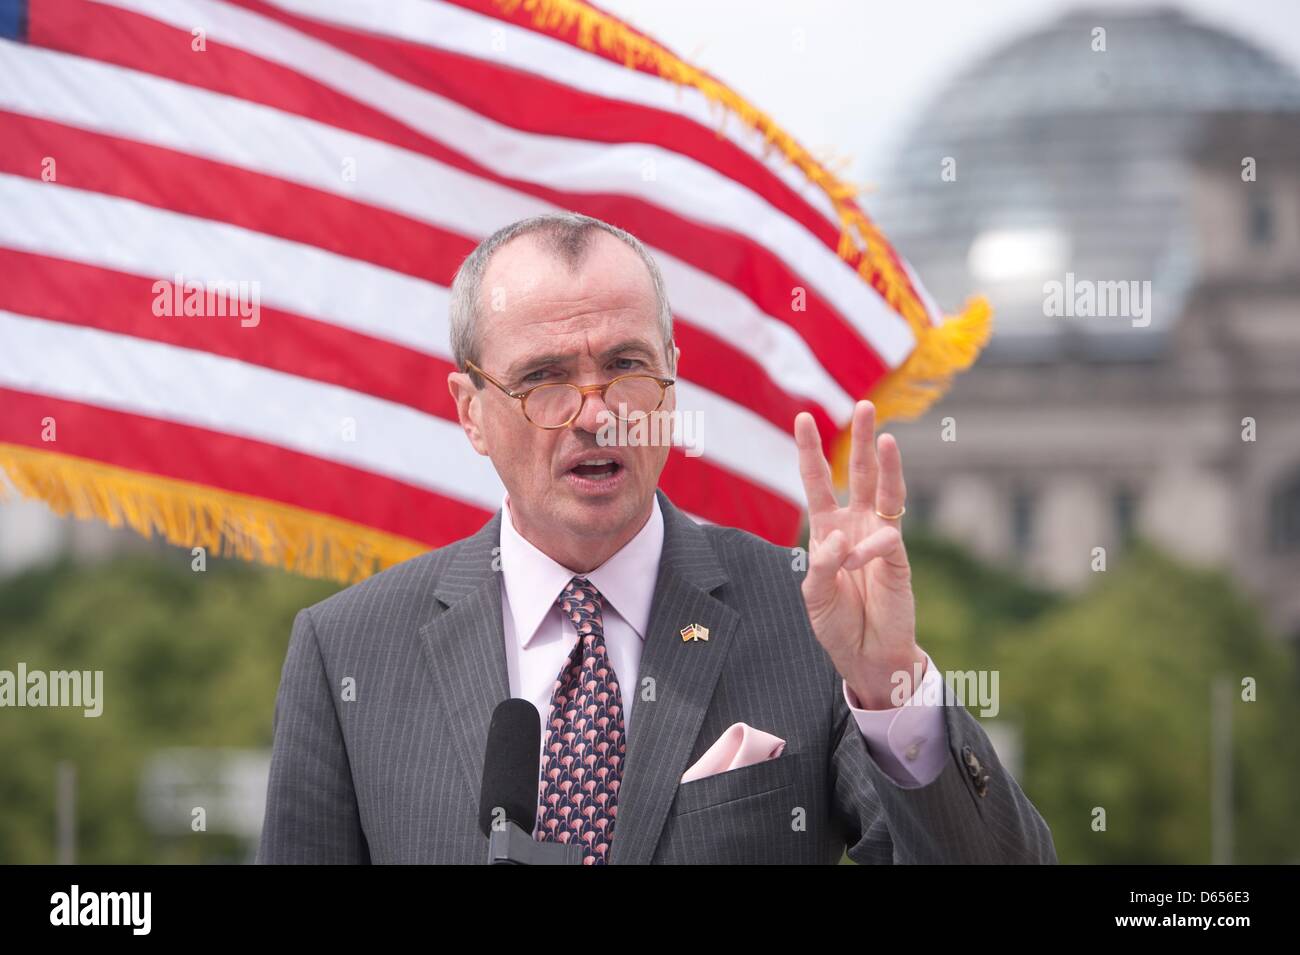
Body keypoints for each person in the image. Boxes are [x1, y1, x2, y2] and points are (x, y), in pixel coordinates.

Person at [257, 212, 1056, 865]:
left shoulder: (806, 615)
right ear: (470, 410)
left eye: (627, 366)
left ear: (672, 380)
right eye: (544, 379)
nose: (597, 412)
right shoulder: (348, 651)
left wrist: (890, 690)